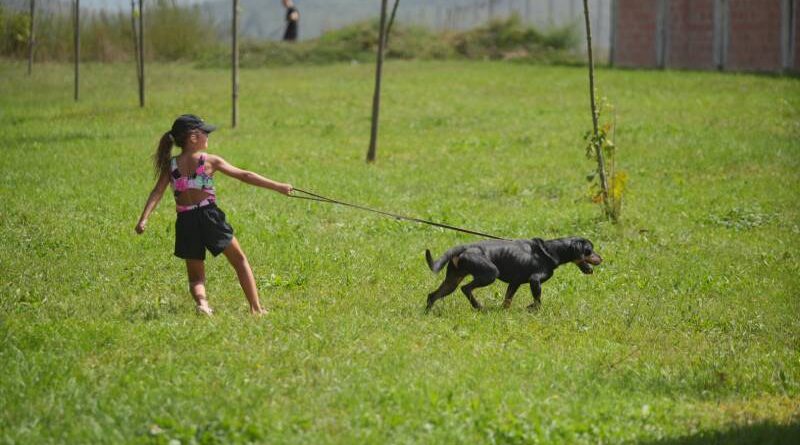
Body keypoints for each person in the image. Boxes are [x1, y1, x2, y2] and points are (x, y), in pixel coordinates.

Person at [135, 114, 293, 316]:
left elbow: (157, 192)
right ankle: (256, 308)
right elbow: (245, 175)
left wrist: (144, 218)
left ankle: (202, 303)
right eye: (205, 132)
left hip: (186, 222)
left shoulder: (171, 165)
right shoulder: (209, 161)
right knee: (240, 261)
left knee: (196, 277)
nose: (208, 135)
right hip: (210, 217)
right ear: (193, 138)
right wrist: (278, 186)